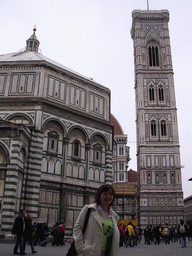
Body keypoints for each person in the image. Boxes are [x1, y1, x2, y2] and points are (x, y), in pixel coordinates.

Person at [73, 184, 119, 256]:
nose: (108, 196)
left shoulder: (114, 216)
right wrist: (80, 248)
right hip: (89, 252)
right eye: (105, 194)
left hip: (106, 252)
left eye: (111, 194)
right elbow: (77, 228)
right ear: (99, 195)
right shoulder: (89, 210)